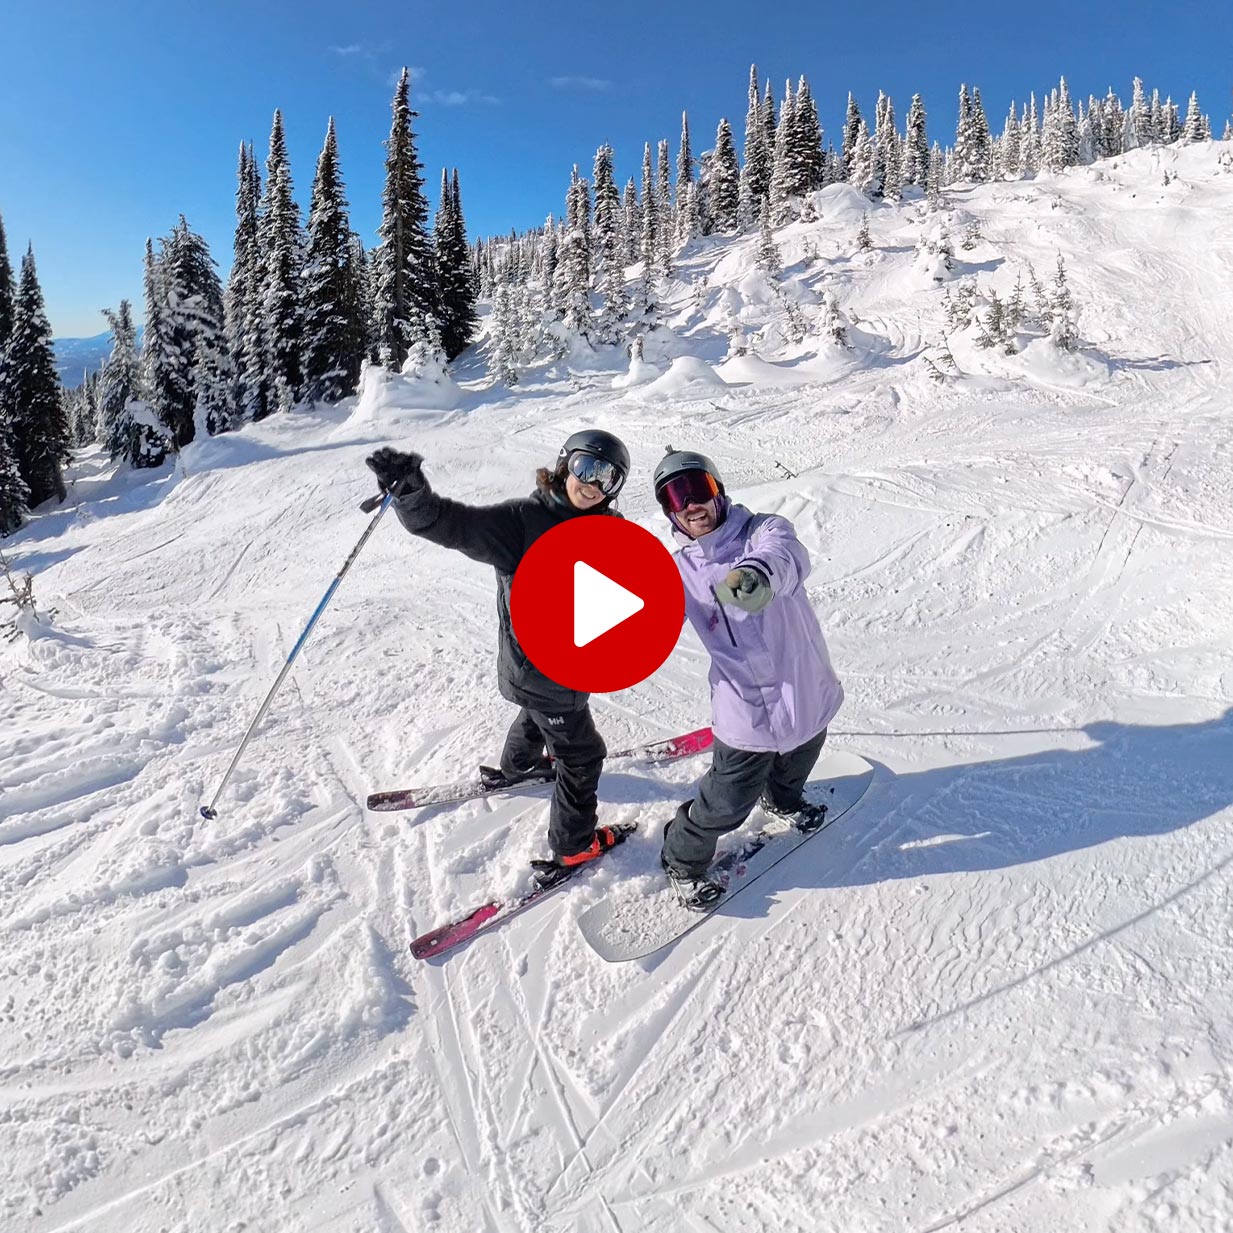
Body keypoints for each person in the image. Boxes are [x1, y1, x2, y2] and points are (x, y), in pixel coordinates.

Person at [365, 430, 631, 885]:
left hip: (537, 673)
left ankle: (519, 765)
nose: (593, 484)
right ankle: (573, 846)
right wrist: (411, 495)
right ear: (564, 465)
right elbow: (451, 524)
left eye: (608, 477)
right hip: (548, 675)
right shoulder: (521, 523)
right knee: (583, 756)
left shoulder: (604, 527)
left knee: (537, 715)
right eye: (586, 468)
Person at [652, 448, 845, 909]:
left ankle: (782, 800)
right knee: (726, 802)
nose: (690, 504)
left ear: (717, 490)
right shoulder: (677, 573)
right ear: (669, 512)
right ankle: (682, 858)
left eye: (697, 489)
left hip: (802, 686)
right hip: (744, 708)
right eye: (676, 498)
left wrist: (755, 575)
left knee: (800, 758)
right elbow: (645, 622)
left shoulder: (763, 530)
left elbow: (784, 555)